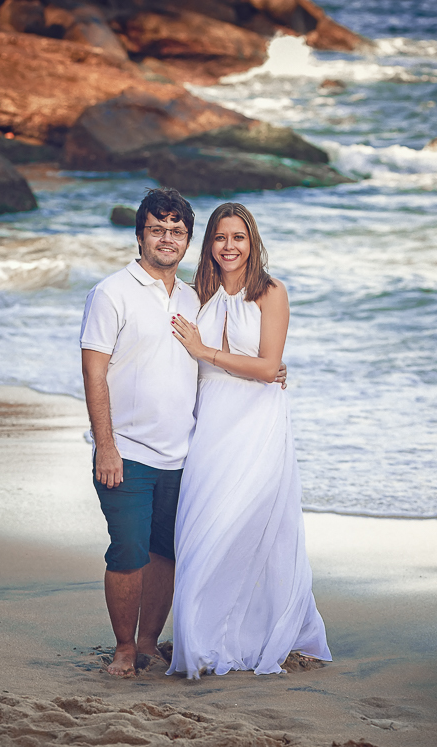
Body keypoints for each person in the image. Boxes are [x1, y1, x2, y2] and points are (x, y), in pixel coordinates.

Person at [80, 188, 287, 677]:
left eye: (177, 231)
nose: (167, 238)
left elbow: (228, 351)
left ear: (188, 240)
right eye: (157, 228)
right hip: (126, 451)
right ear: (139, 235)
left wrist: (271, 370)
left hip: (185, 453)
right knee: (128, 552)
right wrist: (105, 447)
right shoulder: (111, 293)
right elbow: (93, 374)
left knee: (167, 552)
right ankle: (125, 649)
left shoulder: (197, 297)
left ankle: (150, 642)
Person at [167, 202, 331, 678]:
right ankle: (200, 632)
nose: (230, 246)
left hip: (257, 420)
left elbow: (265, 368)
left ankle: (253, 633)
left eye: (238, 237)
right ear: (209, 244)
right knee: (203, 528)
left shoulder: (270, 292)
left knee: (250, 523)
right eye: (220, 238)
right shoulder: (199, 291)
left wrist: (205, 351)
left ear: (252, 242)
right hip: (210, 422)